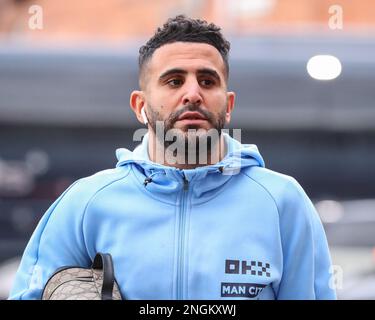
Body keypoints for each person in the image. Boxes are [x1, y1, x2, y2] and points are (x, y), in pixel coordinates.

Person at [9, 15, 336, 300]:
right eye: (174, 80)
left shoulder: (282, 204)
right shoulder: (84, 205)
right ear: (140, 106)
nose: (193, 93)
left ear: (229, 105)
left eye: (207, 81)